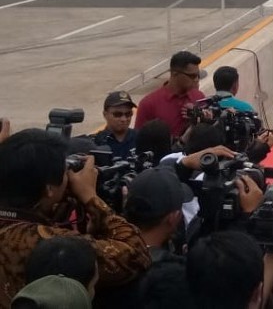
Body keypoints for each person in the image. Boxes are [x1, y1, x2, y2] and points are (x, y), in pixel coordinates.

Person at [0, 129, 150, 306]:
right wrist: (90, 197)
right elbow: (136, 253)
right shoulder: (45, 242)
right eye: (65, 173)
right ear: (49, 189)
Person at [135, 51, 206, 138]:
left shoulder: (199, 97)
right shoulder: (148, 104)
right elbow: (139, 140)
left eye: (197, 75)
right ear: (174, 74)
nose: (196, 80)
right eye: (192, 76)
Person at [93, 91, 138, 159]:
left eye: (128, 114)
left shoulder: (140, 138)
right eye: (117, 114)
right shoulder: (96, 143)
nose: (124, 119)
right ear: (105, 114)